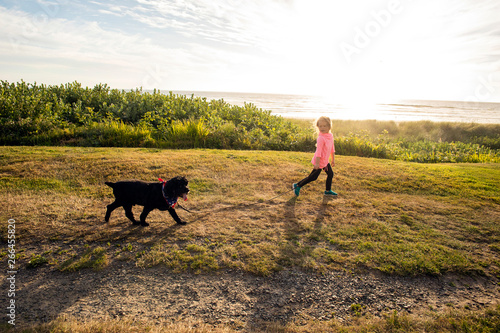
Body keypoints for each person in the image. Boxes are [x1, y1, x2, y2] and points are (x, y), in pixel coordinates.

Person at [293, 116, 337, 196]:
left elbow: (332, 148)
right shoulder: (321, 138)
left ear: (329, 126)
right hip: (319, 161)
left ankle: (328, 191)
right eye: (320, 126)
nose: (322, 128)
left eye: (324, 126)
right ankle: (298, 186)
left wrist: (333, 159)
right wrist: (317, 164)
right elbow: (318, 152)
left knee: (330, 174)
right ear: (317, 127)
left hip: (325, 161)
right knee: (313, 177)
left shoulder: (330, 136)